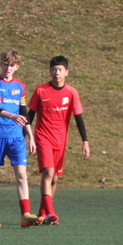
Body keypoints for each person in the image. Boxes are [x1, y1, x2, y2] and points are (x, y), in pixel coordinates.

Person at [27, 55, 90, 225]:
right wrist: (26, 137)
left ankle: (43, 213)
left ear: (66, 72)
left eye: (60, 70)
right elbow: (30, 115)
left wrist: (85, 141)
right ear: (50, 71)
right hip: (43, 137)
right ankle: (51, 211)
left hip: (60, 140)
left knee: (54, 178)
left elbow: (78, 118)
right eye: (54, 70)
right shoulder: (41, 90)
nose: (57, 73)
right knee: (48, 173)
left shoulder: (71, 92)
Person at [0, 49, 40, 228]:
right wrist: (12, 116)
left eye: (12, 65)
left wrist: (31, 137)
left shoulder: (20, 86)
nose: (8, 68)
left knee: (21, 174)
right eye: (5, 64)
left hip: (16, 137)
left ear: (17, 67)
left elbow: (23, 113)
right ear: (1, 64)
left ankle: (26, 215)